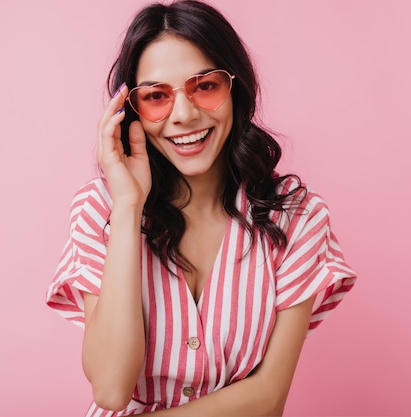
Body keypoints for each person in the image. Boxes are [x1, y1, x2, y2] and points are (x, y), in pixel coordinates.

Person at [46, 0, 356, 415]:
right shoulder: (101, 208)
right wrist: (127, 208)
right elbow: (111, 388)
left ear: (236, 88)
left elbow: (267, 399)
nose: (184, 115)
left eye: (204, 86)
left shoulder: (296, 216)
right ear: (130, 111)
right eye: (156, 96)